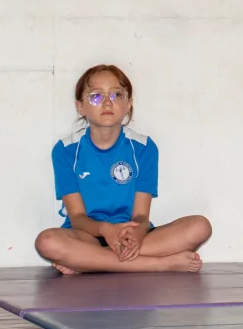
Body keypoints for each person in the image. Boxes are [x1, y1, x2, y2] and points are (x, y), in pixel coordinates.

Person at [34, 64, 211, 274]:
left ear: (128, 104)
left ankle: (90, 263)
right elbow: (78, 218)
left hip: (132, 235)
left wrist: (135, 235)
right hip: (87, 235)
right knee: (47, 242)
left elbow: (141, 217)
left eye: (117, 95)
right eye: (96, 96)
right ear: (80, 107)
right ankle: (159, 264)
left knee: (200, 226)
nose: (108, 102)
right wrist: (106, 230)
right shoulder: (65, 150)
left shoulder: (144, 147)